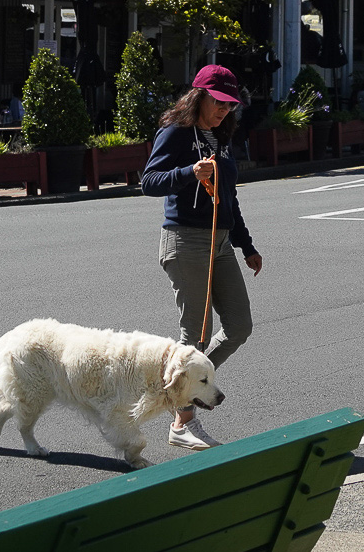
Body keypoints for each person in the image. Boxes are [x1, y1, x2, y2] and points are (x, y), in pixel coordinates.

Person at [141, 64, 263, 452]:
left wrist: (246, 245)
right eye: (218, 102)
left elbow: (229, 198)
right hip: (186, 240)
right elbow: (149, 181)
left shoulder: (221, 138)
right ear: (199, 97)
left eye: (230, 105)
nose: (224, 110)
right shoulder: (176, 132)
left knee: (239, 326)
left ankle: (179, 385)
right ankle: (183, 420)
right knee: (196, 335)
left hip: (221, 241)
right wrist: (189, 172)